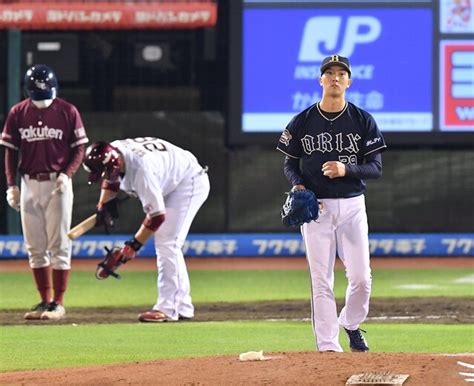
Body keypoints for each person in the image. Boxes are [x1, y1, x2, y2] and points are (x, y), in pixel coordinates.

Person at [276, 55, 386, 352]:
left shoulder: (363, 120)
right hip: (317, 210)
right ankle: (328, 347)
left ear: (349, 81)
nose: (335, 77)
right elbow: (290, 164)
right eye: (329, 73)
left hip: (352, 207)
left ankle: (350, 323)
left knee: (362, 279)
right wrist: (297, 184)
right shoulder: (302, 121)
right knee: (320, 280)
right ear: (320, 80)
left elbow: (376, 168)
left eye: (341, 73)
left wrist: (346, 169)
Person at [82, 137, 210, 322]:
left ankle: (168, 308)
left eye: (104, 172)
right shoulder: (114, 152)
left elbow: (157, 217)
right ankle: (182, 307)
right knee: (169, 244)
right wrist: (103, 206)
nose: (103, 177)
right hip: (171, 181)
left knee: (167, 243)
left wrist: (132, 246)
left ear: (115, 164)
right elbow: (110, 181)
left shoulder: (142, 171)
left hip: (188, 182)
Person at [1, 64, 89, 321]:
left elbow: (79, 148)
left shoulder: (67, 111)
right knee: (34, 246)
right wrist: (11, 184)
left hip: (57, 183)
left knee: (59, 243)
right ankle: (45, 300)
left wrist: (67, 173)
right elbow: (10, 151)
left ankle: (58, 303)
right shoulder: (18, 112)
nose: (43, 99)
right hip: (29, 182)